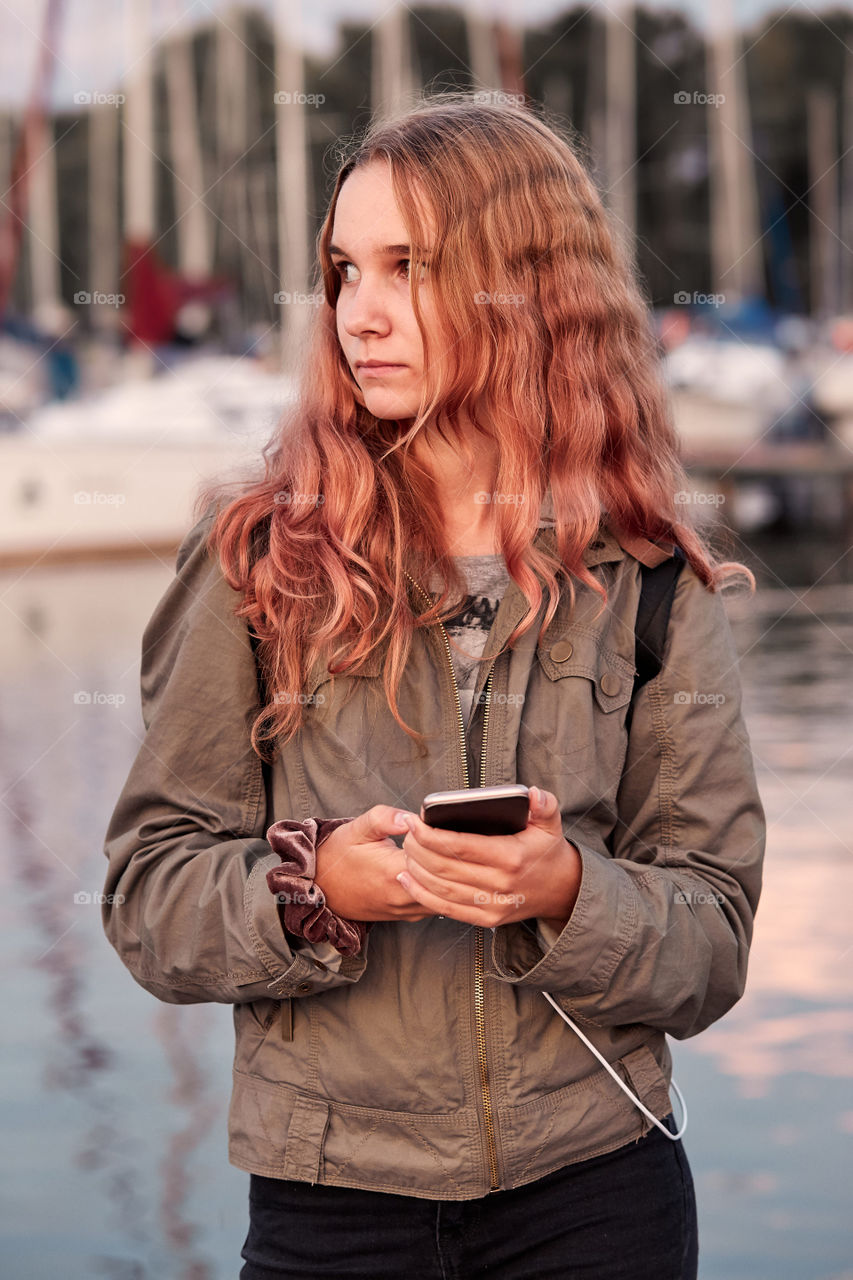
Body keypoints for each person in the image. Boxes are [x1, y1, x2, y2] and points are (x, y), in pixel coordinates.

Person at [102, 93, 766, 1279]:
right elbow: (151, 894)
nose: (360, 312)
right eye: (343, 269)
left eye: (408, 267)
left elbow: (712, 938)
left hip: (598, 1191)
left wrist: (566, 889)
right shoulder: (254, 561)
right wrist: (317, 887)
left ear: (530, 287)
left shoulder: (657, 583)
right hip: (329, 1204)